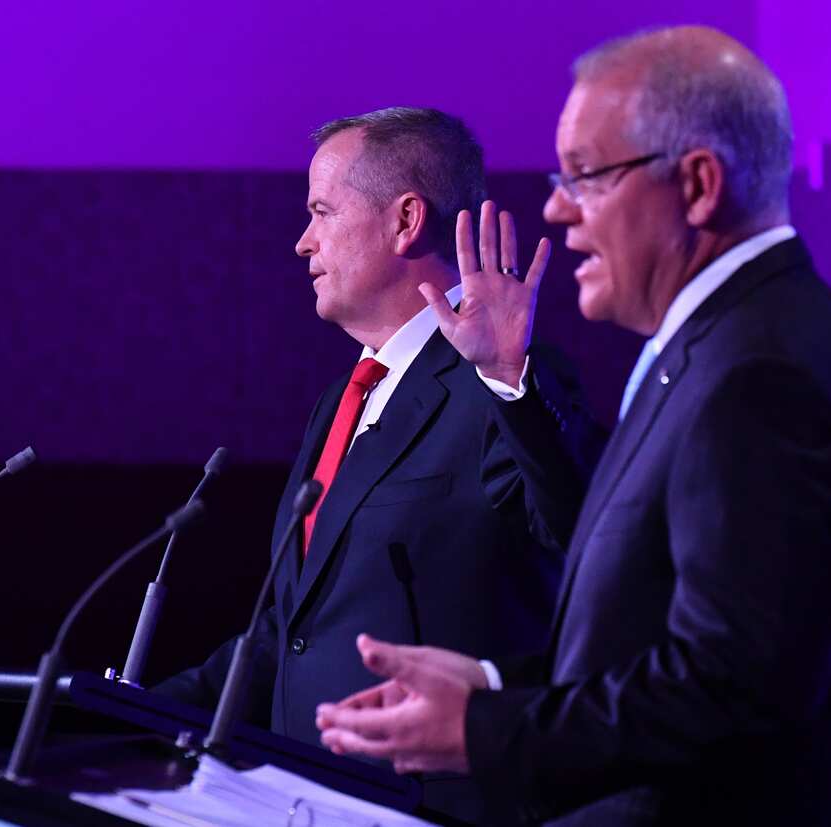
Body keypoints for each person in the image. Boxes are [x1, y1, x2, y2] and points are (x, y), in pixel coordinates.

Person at [314, 27, 831, 827]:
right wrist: (493, 686)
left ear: (699, 184)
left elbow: (731, 688)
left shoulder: (765, 374)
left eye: (588, 176)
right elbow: (651, 642)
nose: (559, 207)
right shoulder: (726, 345)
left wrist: (485, 728)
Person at [155, 107, 598, 823]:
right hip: (307, 801)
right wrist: (116, 707)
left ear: (405, 220)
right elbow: (288, 634)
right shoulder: (341, 400)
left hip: (438, 807)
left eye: (322, 211)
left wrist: (511, 378)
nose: (302, 242)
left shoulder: (504, 382)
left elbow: (584, 535)